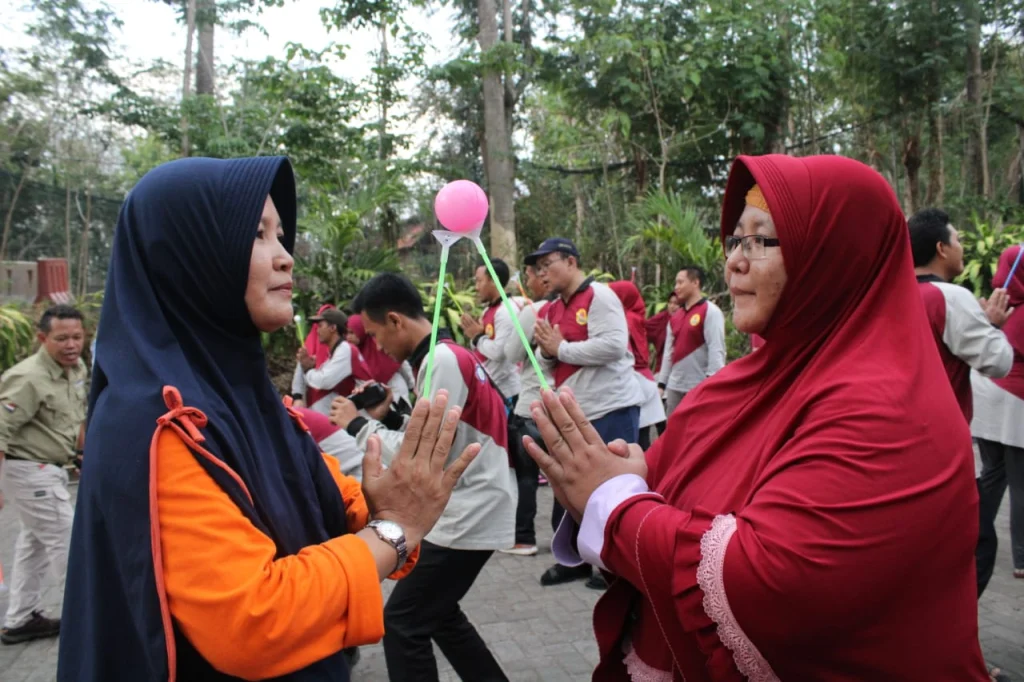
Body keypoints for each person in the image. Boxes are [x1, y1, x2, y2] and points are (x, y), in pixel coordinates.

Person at [522, 154, 990, 680]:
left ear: (835, 256)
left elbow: (769, 586)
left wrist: (611, 502)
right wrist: (615, 482)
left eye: (761, 240)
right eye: (735, 241)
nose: (735, 263)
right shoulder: (732, 390)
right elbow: (656, 493)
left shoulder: (888, 411)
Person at [58, 156, 479, 682]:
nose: (285, 258)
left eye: (282, 236)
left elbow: (321, 498)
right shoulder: (158, 424)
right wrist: (394, 530)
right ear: (189, 257)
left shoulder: (246, 396)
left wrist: (384, 503)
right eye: (258, 235)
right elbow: (253, 620)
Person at [330, 272, 516, 682]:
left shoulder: (441, 359)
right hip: (468, 504)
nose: (377, 346)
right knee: (439, 615)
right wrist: (392, 417)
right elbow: (439, 431)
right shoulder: (441, 355)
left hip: (470, 507)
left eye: (377, 335)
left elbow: (423, 454)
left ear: (396, 320)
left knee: (402, 622)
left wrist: (358, 426)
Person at [525, 236, 644, 588]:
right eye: (539, 268)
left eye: (549, 265)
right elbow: (549, 356)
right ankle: (573, 560)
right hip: (576, 409)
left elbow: (613, 345)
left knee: (611, 489)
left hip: (610, 406)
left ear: (572, 262)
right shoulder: (551, 308)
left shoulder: (600, 296)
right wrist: (550, 351)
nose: (543, 274)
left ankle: (617, 568)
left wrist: (561, 347)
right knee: (569, 485)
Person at [0, 304, 87, 645]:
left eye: (77, 337)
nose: (71, 345)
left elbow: (77, 415)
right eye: (61, 338)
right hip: (28, 470)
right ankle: (90, 618)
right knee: (70, 544)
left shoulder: (76, 368)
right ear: (42, 338)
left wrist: (84, 456)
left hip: (51, 470)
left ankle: (20, 619)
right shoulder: (27, 377)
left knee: (33, 545)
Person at [909, 207, 1012, 422]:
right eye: (957, 241)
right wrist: (991, 324)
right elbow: (998, 362)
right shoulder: (950, 298)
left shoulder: (892, 294)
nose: (961, 248)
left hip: (902, 422)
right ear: (941, 248)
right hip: (941, 427)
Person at [972, 244, 1024, 584]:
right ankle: (1021, 557)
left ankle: (971, 533)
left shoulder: (995, 303)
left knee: (993, 474)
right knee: (1020, 483)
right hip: (1015, 402)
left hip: (986, 396)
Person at [500, 264, 555, 556]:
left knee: (526, 477)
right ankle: (567, 543)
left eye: (531, 276)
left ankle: (524, 538)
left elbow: (511, 353)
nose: (530, 281)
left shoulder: (534, 312)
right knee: (563, 479)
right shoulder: (578, 312)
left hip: (531, 405)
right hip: (562, 406)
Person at [657, 267, 726, 415]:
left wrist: (712, 384)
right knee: (674, 432)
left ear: (695, 282)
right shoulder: (675, 317)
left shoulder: (710, 312)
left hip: (699, 387)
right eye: (675, 283)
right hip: (675, 387)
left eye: (680, 282)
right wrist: (662, 383)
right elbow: (668, 353)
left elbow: (717, 350)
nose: (676, 287)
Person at [609, 282, 665, 450]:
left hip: (634, 380)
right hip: (646, 377)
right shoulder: (636, 317)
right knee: (648, 432)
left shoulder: (622, 319)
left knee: (637, 438)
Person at [461, 258, 525, 403]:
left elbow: (499, 353)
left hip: (506, 392)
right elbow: (478, 347)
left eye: (479, 281)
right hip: (491, 388)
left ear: (493, 281)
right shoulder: (487, 311)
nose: (476, 287)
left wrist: (477, 337)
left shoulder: (507, 311)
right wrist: (475, 336)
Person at [294, 307, 374, 415]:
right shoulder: (337, 350)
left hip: (366, 413)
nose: (317, 331)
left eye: (321, 326)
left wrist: (308, 368)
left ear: (332, 328)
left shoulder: (345, 350)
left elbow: (323, 382)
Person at [346, 313, 415, 406]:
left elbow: (402, 364)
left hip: (395, 388)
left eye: (352, 332)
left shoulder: (380, 345)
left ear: (361, 331)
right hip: (376, 399)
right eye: (346, 333)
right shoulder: (351, 354)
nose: (348, 337)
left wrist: (413, 386)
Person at [290, 302, 336, 408]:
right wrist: (298, 398)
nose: (318, 329)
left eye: (322, 325)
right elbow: (299, 374)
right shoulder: (310, 344)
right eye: (317, 325)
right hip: (315, 404)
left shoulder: (345, 346)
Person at [644, 292, 679, 378]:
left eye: (676, 303)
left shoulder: (688, 319)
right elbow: (643, 328)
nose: (672, 306)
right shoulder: (661, 318)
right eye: (670, 303)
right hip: (662, 368)